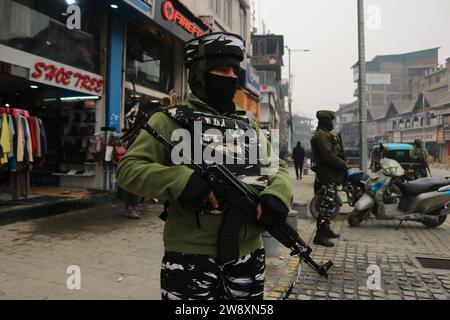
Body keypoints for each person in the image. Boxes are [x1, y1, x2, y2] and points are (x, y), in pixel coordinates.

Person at [116, 32, 293, 300]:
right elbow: (128, 170)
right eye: (222, 69)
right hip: (190, 256)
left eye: (235, 70)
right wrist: (179, 180)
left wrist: (278, 194)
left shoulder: (247, 124)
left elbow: (276, 167)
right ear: (200, 73)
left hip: (248, 254)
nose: (231, 76)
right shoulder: (169, 121)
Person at [310, 111, 347, 247]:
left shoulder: (326, 134)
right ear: (324, 121)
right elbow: (328, 155)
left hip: (331, 175)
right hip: (326, 175)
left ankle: (326, 229)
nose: (332, 123)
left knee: (330, 204)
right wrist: (342, 164)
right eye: (330, 121)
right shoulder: (321, 136)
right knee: (325, 206)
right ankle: (319, 236)